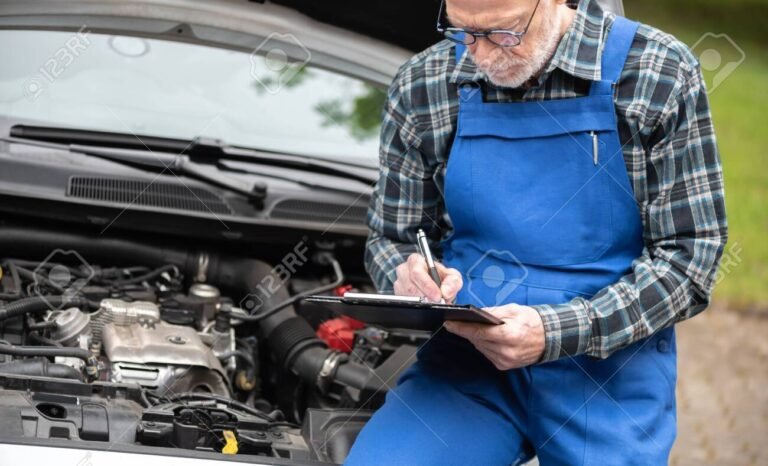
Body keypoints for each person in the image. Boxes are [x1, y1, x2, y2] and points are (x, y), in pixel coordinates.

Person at [344, 0, 728, 464]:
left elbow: (690, 259)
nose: (480, 56)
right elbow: (392, 237)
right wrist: (407, 281)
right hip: (469, 367)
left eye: (502, 34)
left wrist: (555, 331)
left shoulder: (656, 72)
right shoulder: (424, 83)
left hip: (608, 376)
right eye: (463, 32)